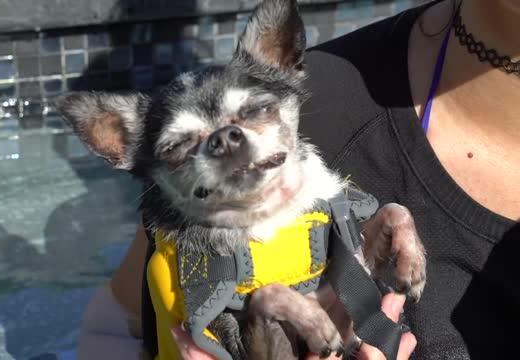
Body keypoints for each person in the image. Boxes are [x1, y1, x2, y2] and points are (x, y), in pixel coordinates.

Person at [77, 0, 520, 358]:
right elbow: (113, 329)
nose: (227, 142)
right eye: (179, 148)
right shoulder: (330, 99)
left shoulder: (326, 166)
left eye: (255, 112)